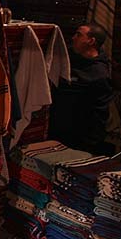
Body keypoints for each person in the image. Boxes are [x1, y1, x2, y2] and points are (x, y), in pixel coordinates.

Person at [49, 22, 113, 155]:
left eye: (79, 35)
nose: (73, 38)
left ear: (91, 41)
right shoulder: (69, 59)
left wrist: (88, 146)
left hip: (76, 139)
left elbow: (99, 114)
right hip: (55, 129)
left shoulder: (99, 74)